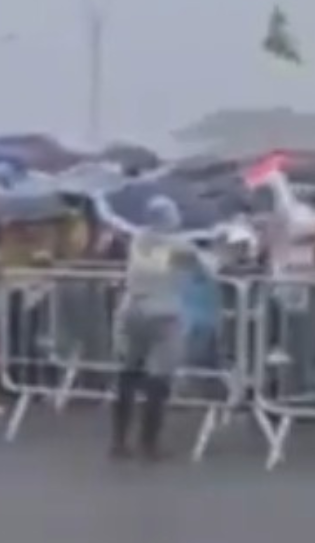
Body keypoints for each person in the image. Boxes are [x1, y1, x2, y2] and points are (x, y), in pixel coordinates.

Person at [110, 196, 195, 461]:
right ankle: (149, 443)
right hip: (164, 314)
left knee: (128, 373)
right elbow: (203, 268)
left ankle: (119, 441)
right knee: (159, 378)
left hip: (131, 310)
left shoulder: (138, 240)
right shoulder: (180, 246)